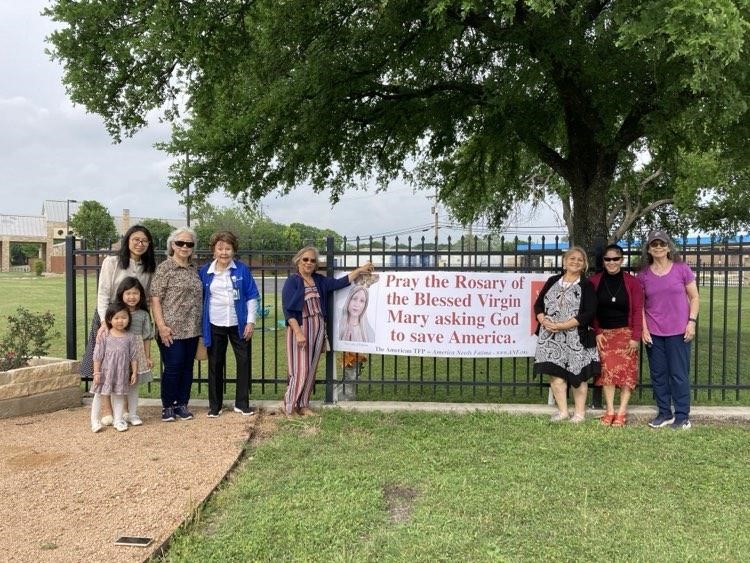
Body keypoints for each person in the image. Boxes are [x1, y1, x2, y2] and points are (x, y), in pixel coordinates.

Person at [281, 247, 374, 415]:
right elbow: (288, 311)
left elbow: (341, 282)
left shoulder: (319, 280)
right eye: (305, 260)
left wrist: (360, 270)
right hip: (300, 329)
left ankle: (303, 405)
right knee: (299, 370)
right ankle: (290, 406)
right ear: (298, 261)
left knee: (311, 370)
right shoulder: (292, 281)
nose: (309, 263)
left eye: (312, 260)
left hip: (318, 330)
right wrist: (298, 333)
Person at [81, 225, 156, 426]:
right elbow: (104, 292)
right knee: (107, 365)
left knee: (125, 364)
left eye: (144, 241)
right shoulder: (112, 262)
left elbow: (146, 296)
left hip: (133, 319)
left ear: (149, 245)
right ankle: (106, 409)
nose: (140, 244)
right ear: (127, 241)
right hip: (110, 318)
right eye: (136, 240)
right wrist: (106, 322)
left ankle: (123, 410)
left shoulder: (148, 267)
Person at [639, 230, 700, 430]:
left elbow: (695, 298)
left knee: (678, 374)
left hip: (679, 332)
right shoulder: (643, 275)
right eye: (654, 244)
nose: (658, 247)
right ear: (648, 249)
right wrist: (644, 330)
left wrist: (691, 322)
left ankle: (682, 416)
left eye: (662, 244)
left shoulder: (681, 269)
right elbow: (640, 306)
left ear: (668, 247)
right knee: (658, 375)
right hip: (654, 333)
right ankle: (664, 413)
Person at [534, 246, 600, 423]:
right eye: (572, 258)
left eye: (580, 259)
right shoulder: (552, 280)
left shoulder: (587, 285)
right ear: (565, 261)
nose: (575, 262)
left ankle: (579, 414)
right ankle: (563, 411)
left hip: (575, 337)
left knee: (578, 377)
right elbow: (538, 305)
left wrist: (563, 325)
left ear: (584, 264)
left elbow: (588, 313)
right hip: (550, 337)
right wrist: (544, 321)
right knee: (556, 375)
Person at [199, 231, 261, 417]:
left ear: (233, 251)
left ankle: (241, 404)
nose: (224, 252)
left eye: (228, 248)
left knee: (243, 362)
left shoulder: (242, 269)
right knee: (215, 364)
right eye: (220, 248)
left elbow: (251, 296)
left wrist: (250, 321)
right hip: (214, 323)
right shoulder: (204, 272)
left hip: (238, 323)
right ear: (214, 251)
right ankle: (215, 406)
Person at [150, 227, 202, 422]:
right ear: (172, 245)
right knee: (173, 367)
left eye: (189, 244)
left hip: (192, 328)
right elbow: (155, 298)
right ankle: (168, 405)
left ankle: (182, 404)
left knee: (187, 367)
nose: (185, 247)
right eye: (180, 243)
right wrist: (161, 326)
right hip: (171, 329)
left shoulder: (194, 269)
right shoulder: (165, 268)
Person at [590, 244, 643, 427]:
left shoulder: (633, 282)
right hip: (604, 334)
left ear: (621, 260)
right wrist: (597, 332)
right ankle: (610, 410)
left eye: (615, 259)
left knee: (627, 373)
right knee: (608, 373)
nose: (611, 262)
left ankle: (621, 412)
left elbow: (638, 311)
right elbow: (592, 311)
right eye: (607, 259)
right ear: (603, 261)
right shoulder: (594, 282)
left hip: (626, 333)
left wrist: (635, 337)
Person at [90, 303, 139, 433]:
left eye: (123, 317)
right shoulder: (104, 335)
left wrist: (134, 372)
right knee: (99, 395)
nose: (120, 321)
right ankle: (95, 421)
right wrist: (96, 372)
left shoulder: (130, 337)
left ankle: (118, 420)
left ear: (128, 319)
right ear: (109, 319)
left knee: (119, 396)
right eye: (116, 318)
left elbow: (133, 356)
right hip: (105, 373)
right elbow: (97, 355)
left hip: (121, 373)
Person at [116, 276, 154, 427]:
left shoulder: (144, 314)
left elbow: (147, 337)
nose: (132, 297)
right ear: (121, 294)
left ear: (141, 295)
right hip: (119, 353)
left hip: (137, 354)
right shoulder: (117, 312)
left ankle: (132, 414)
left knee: (134, 385)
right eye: (128, 293)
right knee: (118, 385)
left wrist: (147, 356)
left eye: (135, 293)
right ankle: (118, 416)